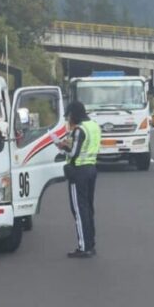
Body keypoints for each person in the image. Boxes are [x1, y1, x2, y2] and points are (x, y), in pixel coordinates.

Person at [57, 101, 101, 258]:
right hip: (91, 169)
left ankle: (84, 247)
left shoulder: (79, 129)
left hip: (78, 172)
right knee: (88, 208)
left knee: (78, 210)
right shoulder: (94, 126)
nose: (69, 118)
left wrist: (62, 146)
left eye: (69, 115)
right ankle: (90, 243)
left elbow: (73, 152)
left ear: (74, 114)